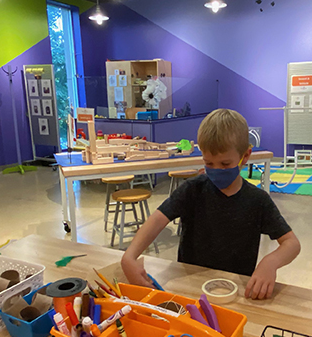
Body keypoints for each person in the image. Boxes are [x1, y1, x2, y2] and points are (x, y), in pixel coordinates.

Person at [120, 108, 301, 299]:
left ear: (245, 156)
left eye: (225, 164)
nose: (216, 170)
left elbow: (291, 243)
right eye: (209, 163)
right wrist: (130, 256)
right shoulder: (192, 190)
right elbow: (157, 220)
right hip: (191, 286)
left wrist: (270, 263)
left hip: (235, 292)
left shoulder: (258, 200)